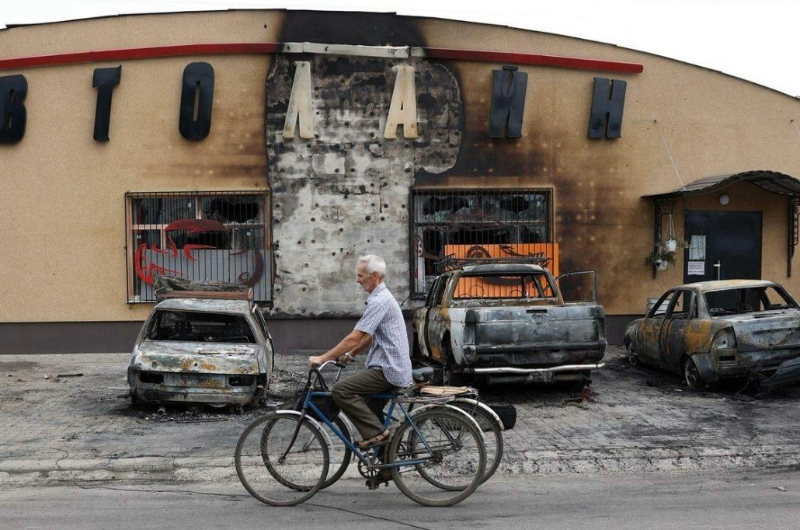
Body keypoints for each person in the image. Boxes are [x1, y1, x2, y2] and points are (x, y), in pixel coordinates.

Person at [308, 254, 412, 448]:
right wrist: (351, 354)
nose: (357, 280)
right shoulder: (382, 297)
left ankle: (378, 435)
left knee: (341, 390)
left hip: (388, 370)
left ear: (374, 275)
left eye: (360, 275)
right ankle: (385, 466)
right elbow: (370, 336)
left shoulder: (379, 301)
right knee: (370, 408)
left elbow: (354, 337)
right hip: (392, 367)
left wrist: (322, 358)